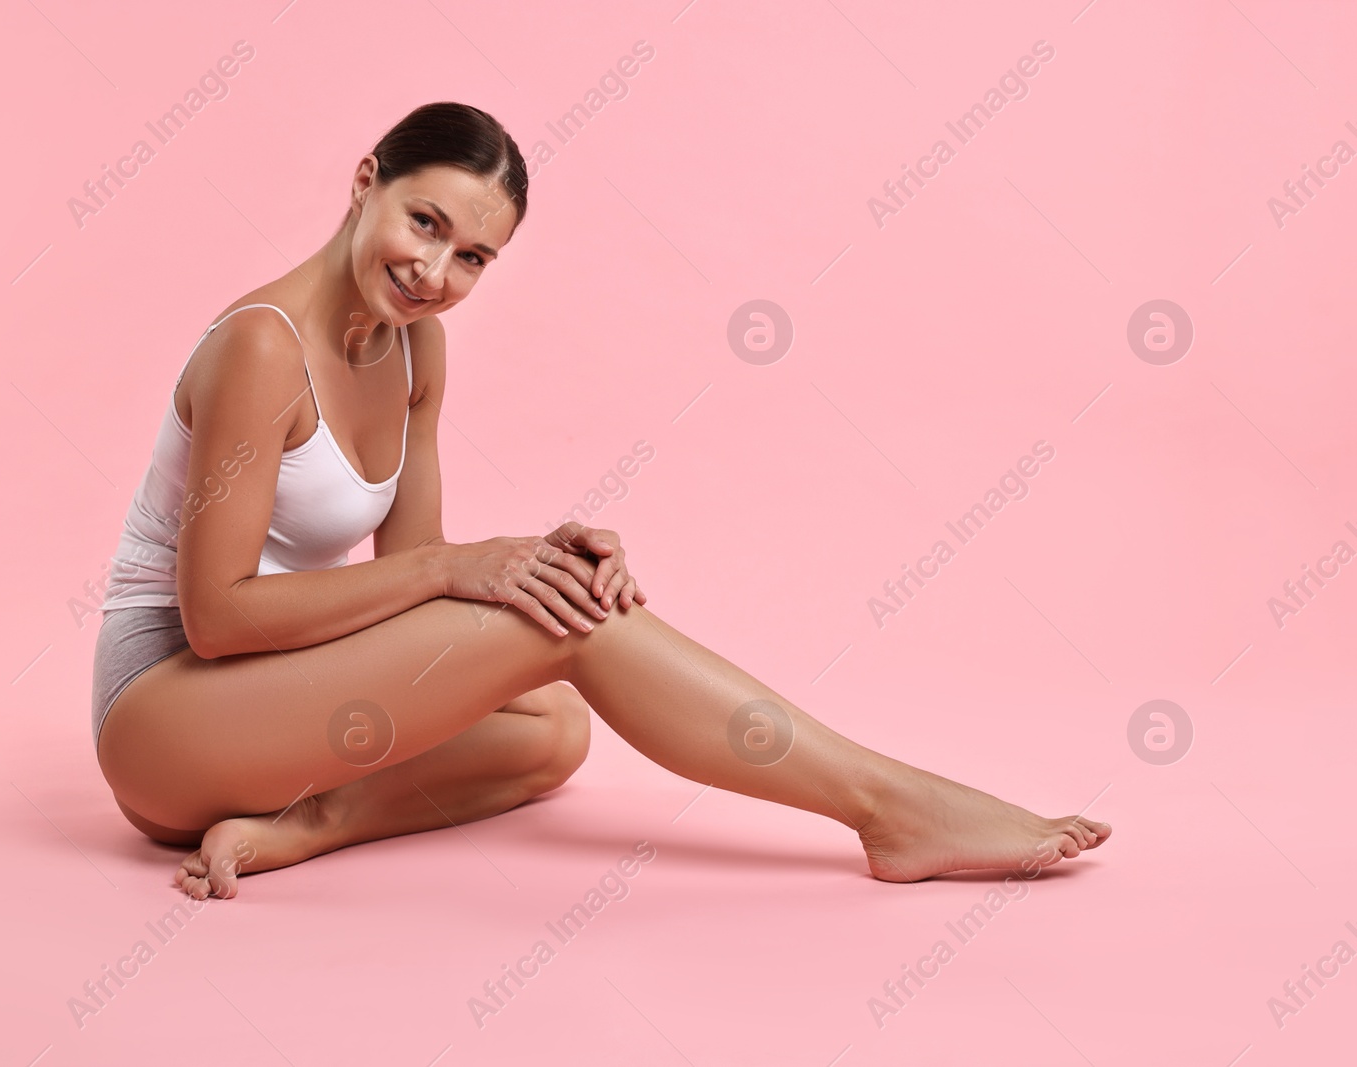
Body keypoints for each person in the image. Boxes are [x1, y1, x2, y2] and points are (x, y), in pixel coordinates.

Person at [90, 101, 1111, 900]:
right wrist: (473, 569)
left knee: (552, 727)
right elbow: (219, 618)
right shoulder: (262, 346)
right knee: (569, 628)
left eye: (473, 257)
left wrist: (524, 561)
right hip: (167, 715)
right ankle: (892, 807)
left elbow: (413, 592)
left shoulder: (414, 347)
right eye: (424, 222)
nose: (434, 271)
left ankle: (308, 824)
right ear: (366, 183)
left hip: (275, 697)